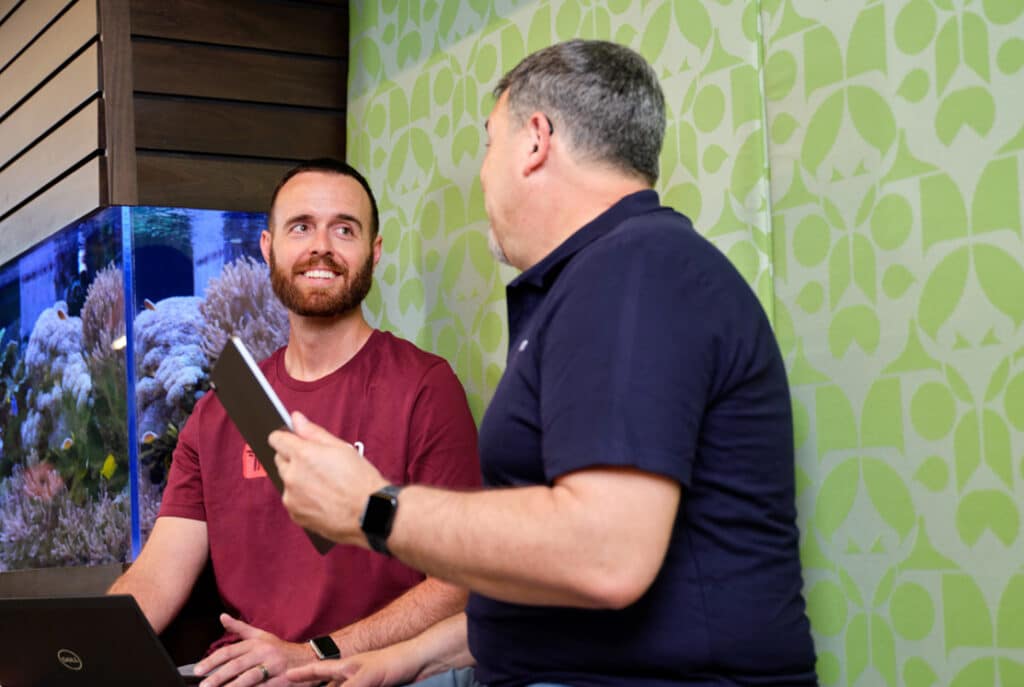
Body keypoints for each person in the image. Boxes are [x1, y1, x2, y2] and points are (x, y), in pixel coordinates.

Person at [276, 40, 818, 687]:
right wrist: (402, 657)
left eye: (488, 144)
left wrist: (374, 508)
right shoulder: (610, 275)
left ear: (535, 141)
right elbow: (548, 583)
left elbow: (605, 553)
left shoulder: (633, 272)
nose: (482, 175)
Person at [108, 159, 481, 687]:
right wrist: (71, 656)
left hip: (372, 671)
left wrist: (314, 654)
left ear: (373, 253)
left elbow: (457, 583)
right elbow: (158, 575)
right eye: (301, 227)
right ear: (268, 248)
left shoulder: (424, 388)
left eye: (344, 229)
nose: (321, 247)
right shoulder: (220, 411)